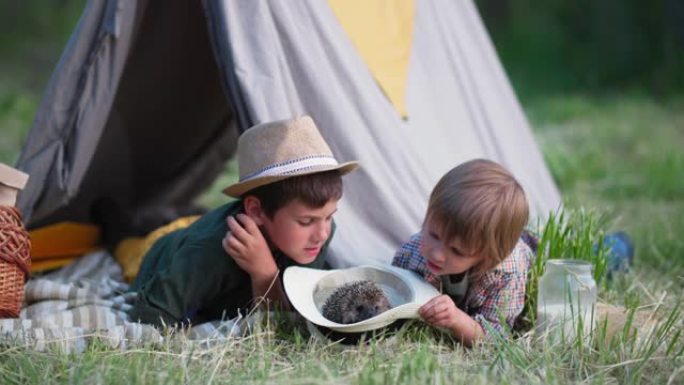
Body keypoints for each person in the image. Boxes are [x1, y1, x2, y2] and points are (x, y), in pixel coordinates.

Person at [128, 116, 359, 328]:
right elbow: (149, 316)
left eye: (329, 216)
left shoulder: (317, 237)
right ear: (256, 211)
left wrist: (264, 272)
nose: (322, 233)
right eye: (306, 221)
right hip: (161, 247)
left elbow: (288, 319)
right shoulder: (208, 249)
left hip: (197, 230)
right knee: (128, 248)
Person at [392, 159, 533, 346]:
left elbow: (495, 339)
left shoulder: (506, 274)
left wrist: (457, 320)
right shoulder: (411, 252)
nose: (436, 254)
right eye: (433, 235)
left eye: (457, 251)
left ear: (487, 258)